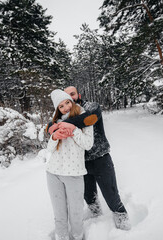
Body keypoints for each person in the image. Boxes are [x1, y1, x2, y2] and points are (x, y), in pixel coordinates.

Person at [47, 86, 131, 231]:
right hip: (81, 164)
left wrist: (56, 125)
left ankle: (123, 224)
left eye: (72, 94)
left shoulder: (91, 107)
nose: (70, 98)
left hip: (101, 158)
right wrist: (51, 126)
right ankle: (95, 217)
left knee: (111, 195)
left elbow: (86, 119)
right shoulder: (65, 114)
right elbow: (52, 123)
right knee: (89, 197)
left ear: (78, 94)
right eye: (66, 96)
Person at [46, 89, 94, 240]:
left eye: (67, 102)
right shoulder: (56, 123)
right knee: (59, 214)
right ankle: (62, 237)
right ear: (57, 110)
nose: (66, 107)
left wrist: (74, 130)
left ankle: (78, 237)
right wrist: (54, 137)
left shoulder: (83, 118)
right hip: (53, 173)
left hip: (74, 173)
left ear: (72, 101)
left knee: (76, 214)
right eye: (61, 106)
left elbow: (88, 144)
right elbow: (49, 149)